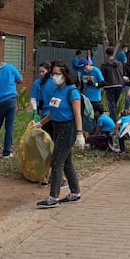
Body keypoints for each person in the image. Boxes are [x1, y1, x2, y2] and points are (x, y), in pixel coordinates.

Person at [34, 60, 83, 208]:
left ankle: (53, 197)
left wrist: (80, 134)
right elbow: (52, 111)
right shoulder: (56, 90)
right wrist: (40, 123)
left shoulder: (72, 92)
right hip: (56, 127)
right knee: (66, 162)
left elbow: (77, 114)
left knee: (56, 162)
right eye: (53, 74)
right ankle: (75, 193)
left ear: (65, 75)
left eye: (58, 74)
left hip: (68, 129)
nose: (55, 77)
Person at [100, 46, 125, 120]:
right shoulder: (120, 64)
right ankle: (113, 118)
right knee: (114, 104)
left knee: (111, 105)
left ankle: (114, 122)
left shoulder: (104, 65)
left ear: (106, 54)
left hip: (109, 86)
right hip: (119, 85)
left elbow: (102, 77)